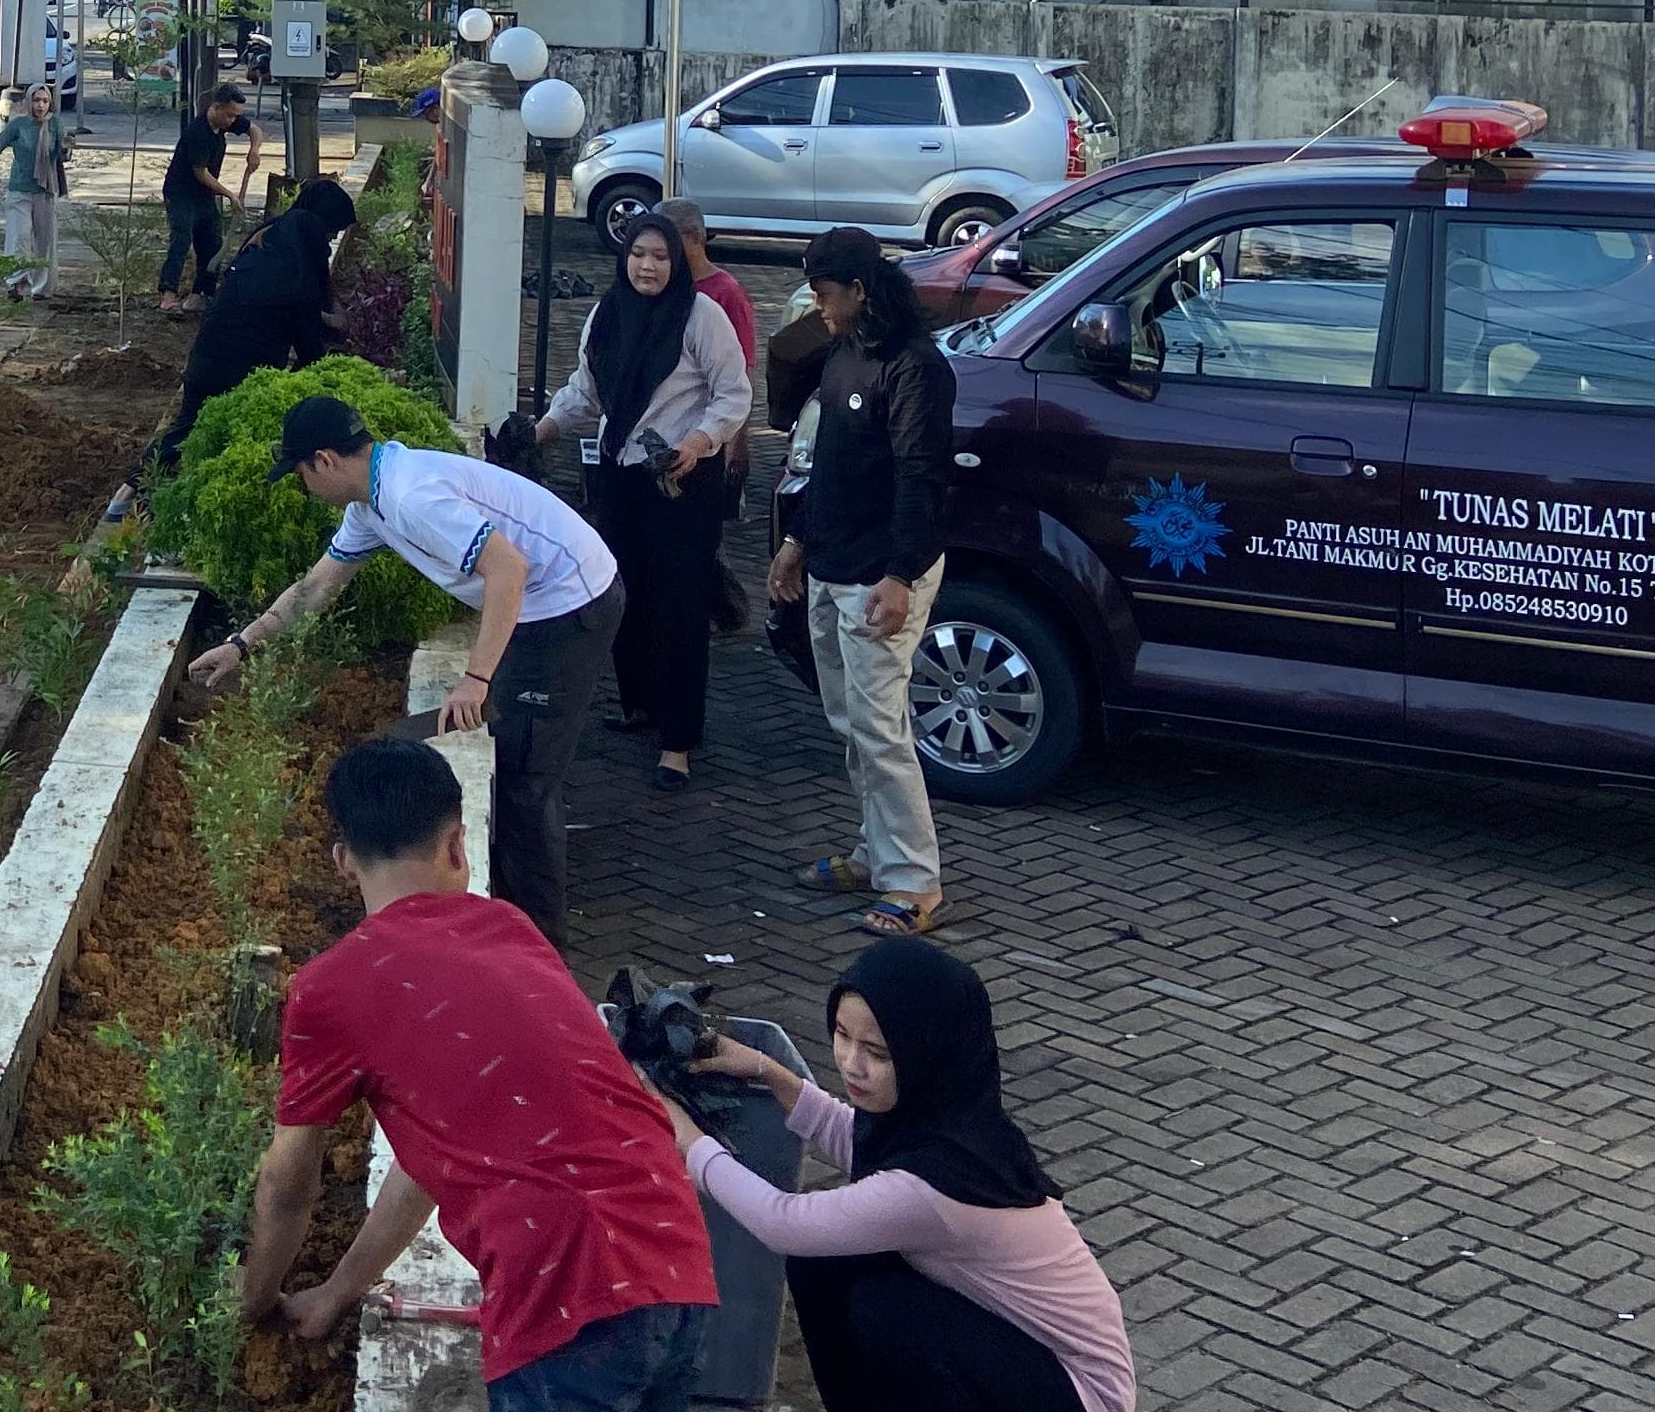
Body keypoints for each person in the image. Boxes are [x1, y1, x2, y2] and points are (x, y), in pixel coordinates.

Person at [241, 736, 718, 1409]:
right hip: (676, 1253)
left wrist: (253, 1299)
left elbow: (289, 1183)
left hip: (564, 1292)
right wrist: (340, 1291)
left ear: (345, 862)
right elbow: (429, 1159)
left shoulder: (332, 987)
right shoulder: (510, 929)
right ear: (458, 845)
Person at [191, 391, 623, 947]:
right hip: (544, 602)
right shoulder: (372, 503)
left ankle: (541, 951)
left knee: (525, 783)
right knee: (513, 755)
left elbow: (507, 570)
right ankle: (516, 915)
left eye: (300, 473)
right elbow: (317, 586)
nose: (304, 488)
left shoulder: (412, 495)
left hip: (569, 605)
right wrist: (241, 644)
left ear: (324, 460)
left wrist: (476, 678)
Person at [655, 938, 1134, 1412]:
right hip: (1019, 1349)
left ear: (928, 1055)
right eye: (842, 1034)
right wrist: (765, 1070)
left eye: (879, 1054)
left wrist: (687, 1137)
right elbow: (859, 1140)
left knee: (887, 1311)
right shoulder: (954, 1122)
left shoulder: (932, 1187)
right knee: (827, 1265)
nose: (851, 1064)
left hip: (1081, 1391)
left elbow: (783, 1222)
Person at [774, 226, 956, 937]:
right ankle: (873, 853)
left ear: (858, 290)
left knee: (879, 728)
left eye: (824, 294)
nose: (817, 307)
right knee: (850, 721)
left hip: (884, 573)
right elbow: (828, 462)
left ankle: (916, 883)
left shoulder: (915, 368)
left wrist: (899, 576)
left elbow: (921, 476)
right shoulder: (841, 351)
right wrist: (795, 543)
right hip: (831, 561)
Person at [532, 213, 751, 791]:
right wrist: (544, 429)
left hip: (682, 479)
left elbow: (734, 393)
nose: (647, 267)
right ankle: (638, 706)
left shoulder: (702, 316)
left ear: (677, 262)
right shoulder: (605, 315)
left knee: (680, 604)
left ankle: (677, 743)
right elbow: (585, 392)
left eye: (660, 257)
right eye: (638, 255)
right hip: (621, 473)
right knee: (621, 592)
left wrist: (700, 442)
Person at [154, 174, 358, 466]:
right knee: (222, 447)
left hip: (206, 354)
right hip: (240, 372)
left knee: (184, 432)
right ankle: (142, 493)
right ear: (318, 229)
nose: (331, 242)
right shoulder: (299, 278)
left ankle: (126, 495)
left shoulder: (268, 238)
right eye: (331, 233)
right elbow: (310, 348)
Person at [0, 75, 72, 298]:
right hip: (20, 190)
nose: (40, 105)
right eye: (36, 100)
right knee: (19, 237)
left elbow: (62, 155)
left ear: (49, 103)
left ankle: (42, 288)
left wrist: (66, 147)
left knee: (45, 241)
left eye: (44, 100)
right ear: (28, 102)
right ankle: (17, 283)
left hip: (45, 191)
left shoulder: (55, 125)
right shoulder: (18, 125)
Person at [155, 82, 260, 309]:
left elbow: (255, 130)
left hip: (204, 194)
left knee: (212, 242)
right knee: (181, 239)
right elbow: (201, 173)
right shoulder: (197, 132)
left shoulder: (225, 123)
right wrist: (230, 195)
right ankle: (168, 295)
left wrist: (254, 151)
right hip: (181, 192)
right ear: (217, 108)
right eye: (230, 116)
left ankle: (202, 293)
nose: (234, 121)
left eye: (236, 116)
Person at [649, 201, 764, 366]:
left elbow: (745, 363)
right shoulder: (659, 283)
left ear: (695, 236)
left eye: (669, 237)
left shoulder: (727, 292)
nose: (660, 246)